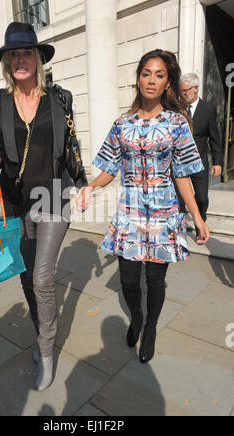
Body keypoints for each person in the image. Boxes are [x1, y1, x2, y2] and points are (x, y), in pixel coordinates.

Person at [77, 49, 210, 364]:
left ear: (167, 84)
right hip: (130, 210)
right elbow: (109, 168)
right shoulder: (122, 124)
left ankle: (150, 326)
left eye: (159, 75)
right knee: (127, 278)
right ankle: (136, 315)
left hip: (164, 211)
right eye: (146, 73)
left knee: (154, 279)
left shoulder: (177, 123)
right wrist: (90, 187)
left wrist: (197, 218)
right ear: (138, 79)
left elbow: (182, 176)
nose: (152, 80)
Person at [0, 22, 87, 391]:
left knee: (42, 277)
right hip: (18, 202)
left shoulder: (60, 98)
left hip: (55, 196)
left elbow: (72, 143)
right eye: (14, 54)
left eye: (27, 52)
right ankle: (42, 333)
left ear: (38, 58)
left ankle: (46, 353)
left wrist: (83, 183)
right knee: (26, 278)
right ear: (7, 62)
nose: (20, 59)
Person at [177, 73, 223, 230]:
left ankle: (200, 225)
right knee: (179, 200)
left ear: (195, 88)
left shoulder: (208, 109)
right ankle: (179, 229)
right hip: (179, 162)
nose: (183, 94)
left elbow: (214, 137)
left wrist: (217, 162)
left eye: (186, 90)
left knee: (202, 198)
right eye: (181, 91)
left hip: (199, 161)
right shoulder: (177, 109)